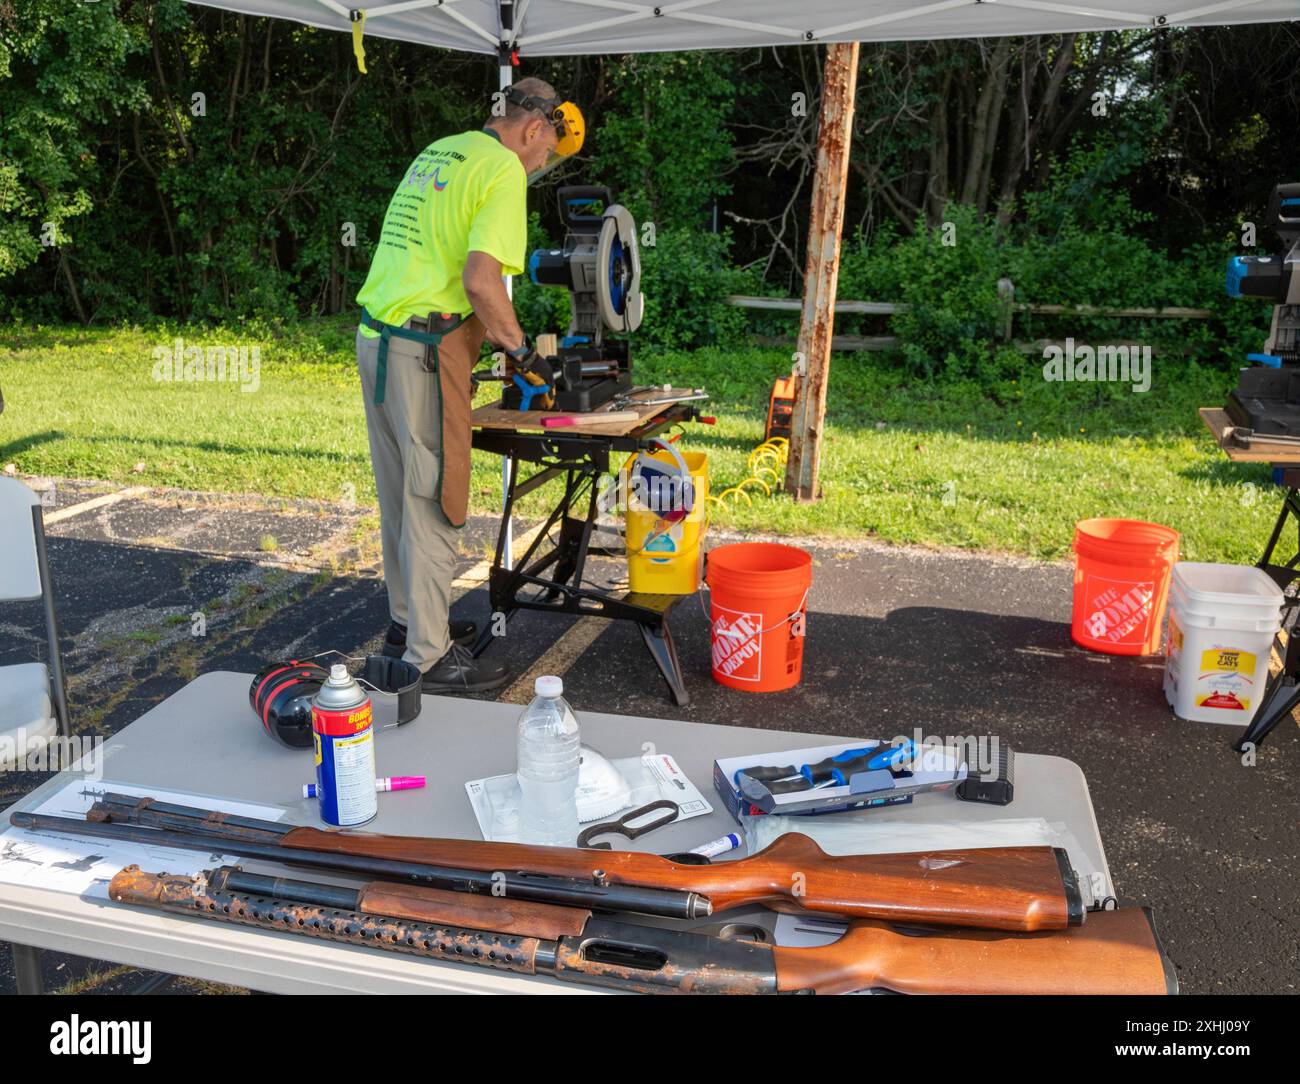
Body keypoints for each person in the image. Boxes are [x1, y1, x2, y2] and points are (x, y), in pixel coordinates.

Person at [354, 77, 576, 692]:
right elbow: (481, 281)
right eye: (546, 153)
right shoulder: (502, 171)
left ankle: (406, 626)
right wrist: (525, 352)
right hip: (424, 349)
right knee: (435, 499)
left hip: (377, 338)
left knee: (400, 493)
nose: (540, 165)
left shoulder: (441, 150)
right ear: (534, 130)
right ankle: (428, 659)